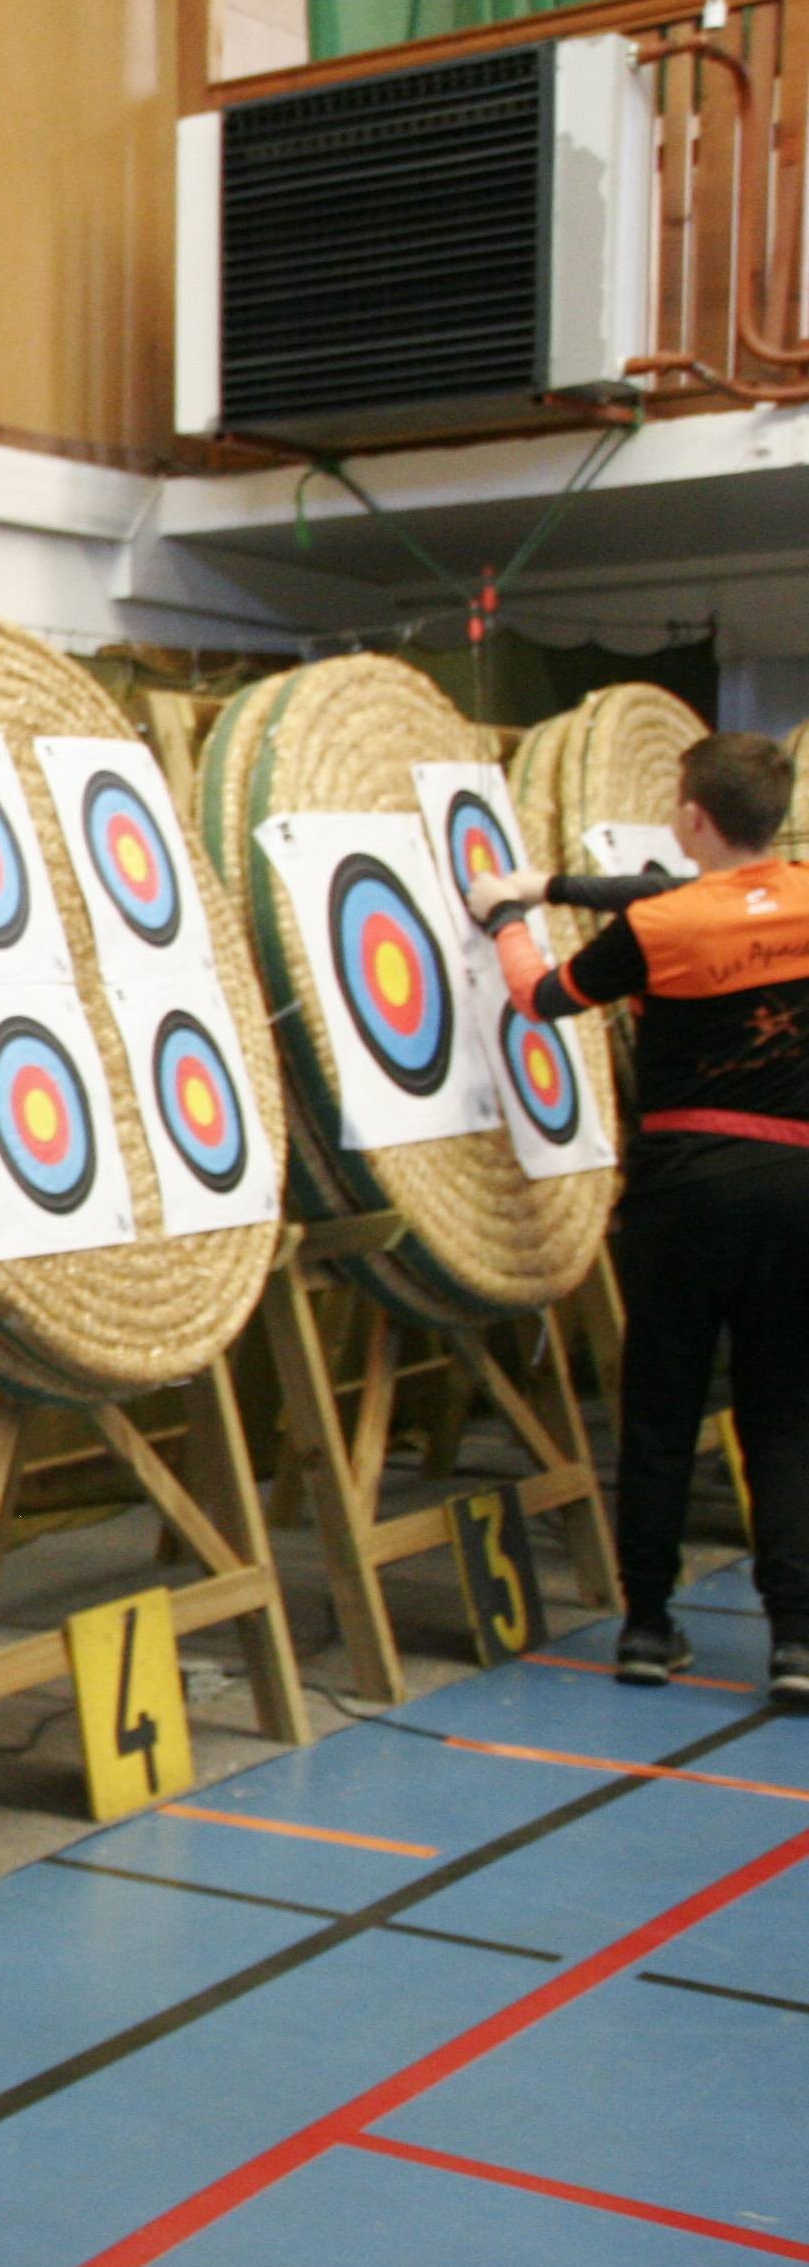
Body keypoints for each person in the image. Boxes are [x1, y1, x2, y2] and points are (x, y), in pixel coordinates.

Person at [468, 729, 809, 1707]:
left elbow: (542, 995)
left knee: (659, 1412)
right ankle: (794, 1642)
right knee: (784, 1421)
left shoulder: (665, 928)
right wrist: (559, 883)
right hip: (797, 1191)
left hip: (686, 1192)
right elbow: (689, 899)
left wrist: (506, 915)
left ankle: (648, 1629)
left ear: (694, 817)